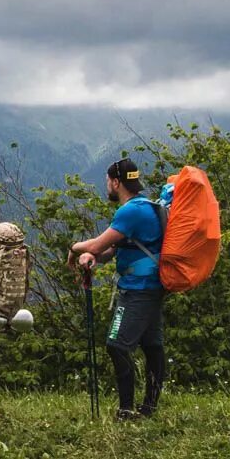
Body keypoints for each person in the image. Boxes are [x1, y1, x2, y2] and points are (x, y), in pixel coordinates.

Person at [67, 158, 166, 419]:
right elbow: (113, 249)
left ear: (116, 182)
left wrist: (75, 248)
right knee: (152, 345)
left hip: (137, 290)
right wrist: (94, 258)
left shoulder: (130, 211)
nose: (107, 187)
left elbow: (98, 244)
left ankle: (126, 410)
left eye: (107, 182)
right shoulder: (144, 207)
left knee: (117, 345)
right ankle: (149, 408)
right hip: (151, 287)